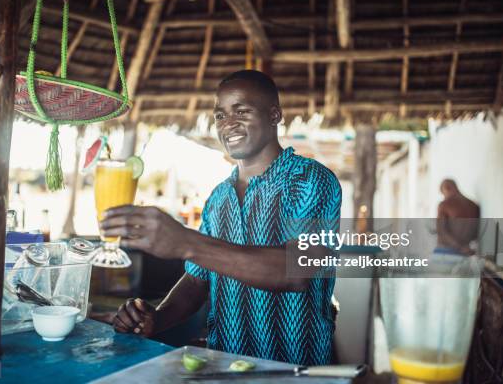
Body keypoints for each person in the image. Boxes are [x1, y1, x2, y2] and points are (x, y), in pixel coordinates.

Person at [100, 70, 342, 365]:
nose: (228, 124)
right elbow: (196, 280)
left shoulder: (312, 180)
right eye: (220, 115)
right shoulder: (218, 197)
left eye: (241, 111)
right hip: (224, 365)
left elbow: (297, 271)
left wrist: (187, 242)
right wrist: (156, 319)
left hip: (295, 369)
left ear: (274, 115)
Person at [436, 179, 480, 255]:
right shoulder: (474, 206)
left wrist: (460, 247)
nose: (444, 197)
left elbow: (441, 231)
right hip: (468, 252)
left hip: (449, 251)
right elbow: (475, 233)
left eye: (443, 194)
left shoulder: (444, 205)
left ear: (447, 188)